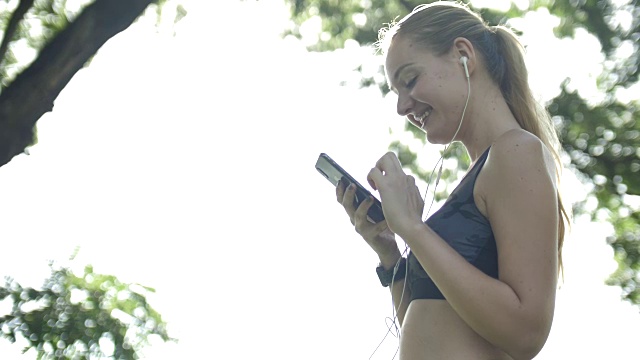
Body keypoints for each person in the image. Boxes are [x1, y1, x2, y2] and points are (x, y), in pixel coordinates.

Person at [335, 2, 569, 359]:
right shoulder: (482, 175)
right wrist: (391, 256)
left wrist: (413, 228)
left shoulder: (517, 151)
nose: (401, 106)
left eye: (410, 80)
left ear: (463, 55)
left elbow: (526, 333)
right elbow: (429, 328)